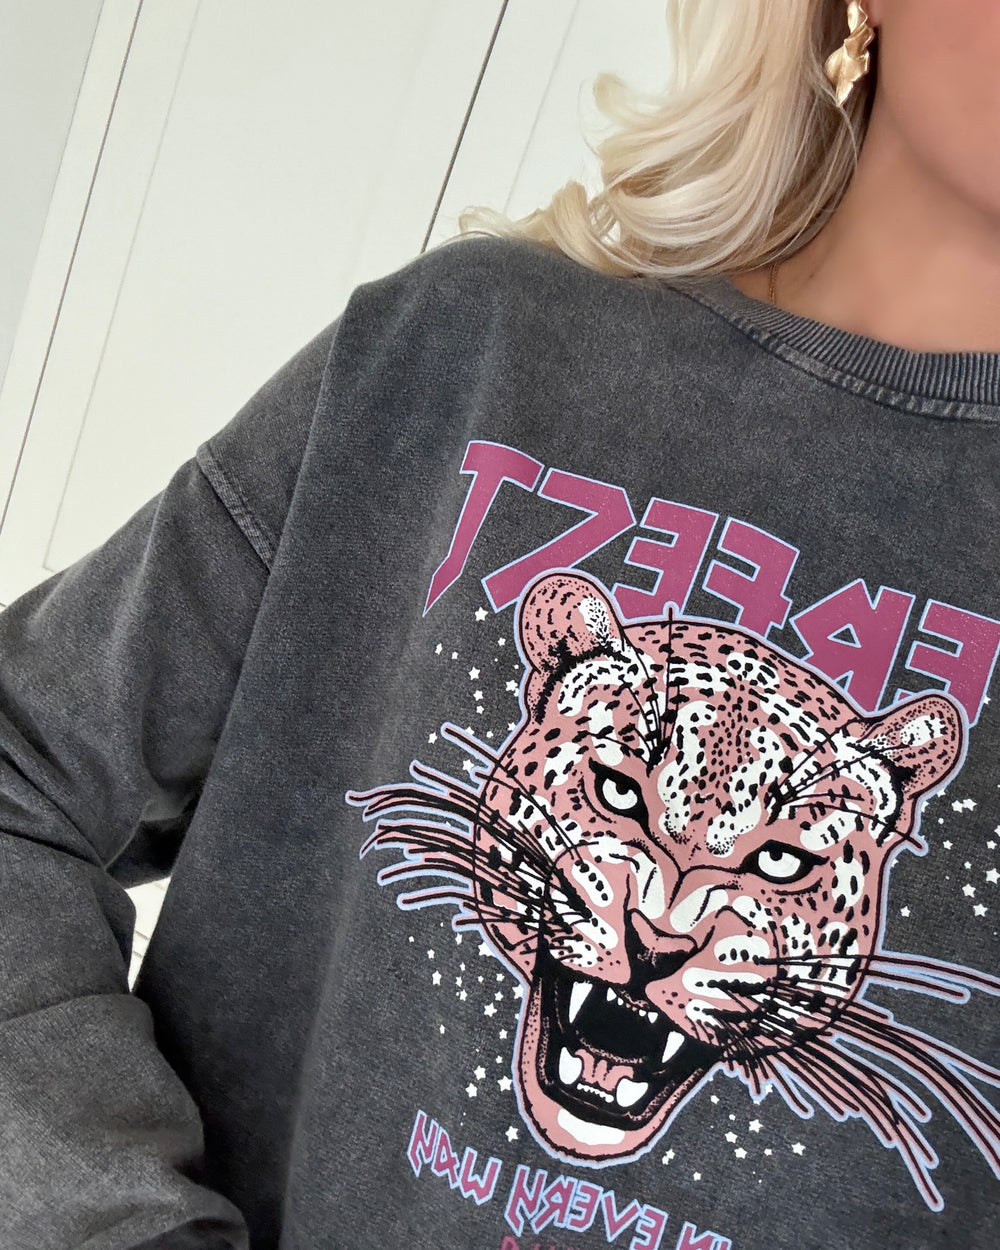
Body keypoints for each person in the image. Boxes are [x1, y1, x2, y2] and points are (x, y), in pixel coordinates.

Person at [1, 0, 997, 1246]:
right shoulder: (466, 348)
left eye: (782, 861)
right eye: (623, 796)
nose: (668, 917)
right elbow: (22, 776)